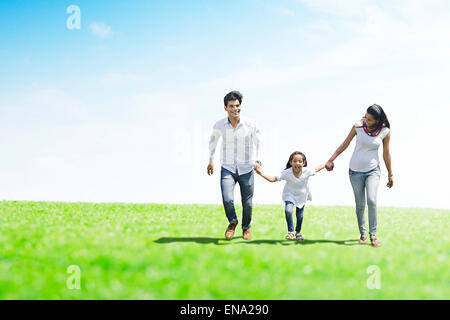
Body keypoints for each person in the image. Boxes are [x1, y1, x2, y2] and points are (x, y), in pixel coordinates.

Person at [325, 104, 393, 247]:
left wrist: (390, 174)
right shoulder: (358, 126)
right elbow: (345, 144)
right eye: (365, 117)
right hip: (355, 172)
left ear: (377, 121)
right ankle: (362, 233)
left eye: (369, 120)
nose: (365, 121)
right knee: (360, 204)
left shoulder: (385, 132)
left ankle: (372, 234)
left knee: (372, 200)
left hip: (373, 171)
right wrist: (331, 159)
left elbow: (386, 154)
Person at [207, 91, 262, 240]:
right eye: (231, 106)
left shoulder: (250, 124)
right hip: (227, 168)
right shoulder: (219, 125)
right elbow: (213, 142)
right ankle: (232, 222)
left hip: (247, 168)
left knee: (248, 203)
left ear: (240, 106)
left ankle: (246, 228)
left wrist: (258, 160)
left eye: (237, 105)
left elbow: (259, 143)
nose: (235, 109)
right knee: (227, 199)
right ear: (225, 108)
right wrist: (211, 160)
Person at [254, 151, 325, 242]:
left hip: (302, 196)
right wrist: (261, 173)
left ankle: (298, 232)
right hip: (289, 194)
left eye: (300, 161)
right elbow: (272, 179)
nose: (297, 163)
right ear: (290, 162)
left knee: (300, 216)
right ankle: (291, 232)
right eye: (294, 161)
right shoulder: (286, 173)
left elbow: (316, 169)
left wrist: (326, 164)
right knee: (288, 210)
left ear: (304, 163)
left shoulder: (307, 171)